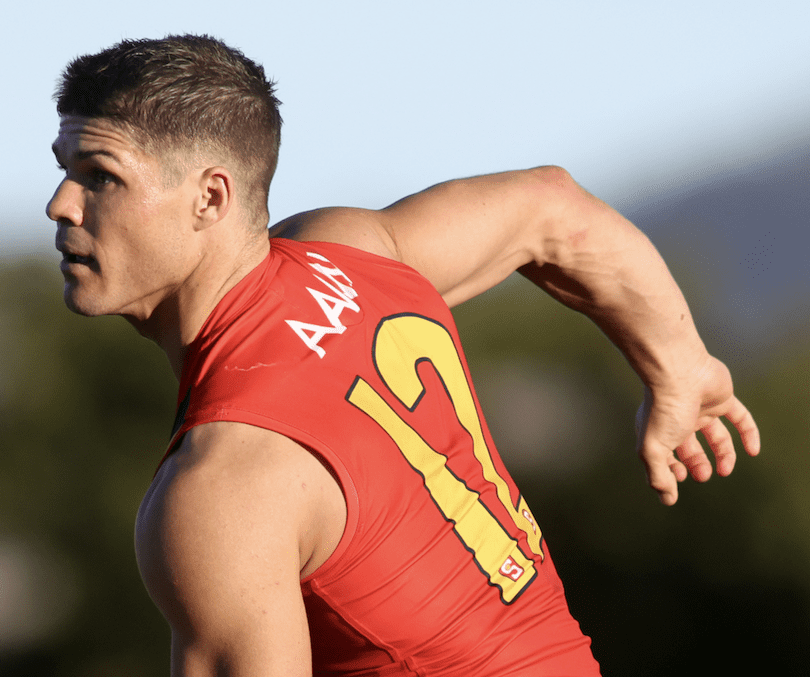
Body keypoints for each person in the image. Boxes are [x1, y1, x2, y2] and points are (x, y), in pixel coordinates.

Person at [46, 34, 760, 677]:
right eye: (65, 169)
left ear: (211, 196)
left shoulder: (223, 489)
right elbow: (550, 207)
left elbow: (551, 211)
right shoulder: (350, 253)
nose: (60, 204)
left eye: (100, 175)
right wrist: (682, 366)